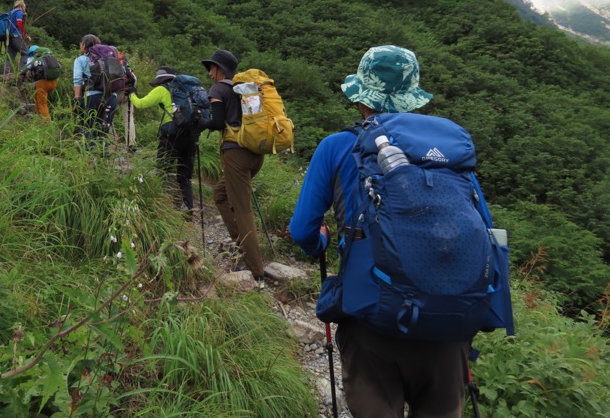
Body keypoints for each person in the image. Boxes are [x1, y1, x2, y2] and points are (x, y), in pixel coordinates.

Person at [289, 45, 470, 418]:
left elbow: (302, 230)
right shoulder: (447, 153)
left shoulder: (338, 147)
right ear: (412, 98)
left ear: (360, 99)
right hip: (448, 326)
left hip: (371, 319)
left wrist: (321, 241)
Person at [198, 50, 266, 289]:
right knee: (221, 195)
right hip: (255, 154)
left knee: (242, 208)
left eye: (212, 68)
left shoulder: (219, 89)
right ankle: (242, 245)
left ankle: (256, 270)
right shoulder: (245, 89)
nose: (209, 73)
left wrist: (200, 122)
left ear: (221, 70)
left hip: (235, 153)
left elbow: (217, 123)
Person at [130, 67, 198, 217]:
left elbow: (140, 104)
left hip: (172, 136)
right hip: (191, 136)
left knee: (163, 170)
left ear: (161, 79)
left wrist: (131, 94)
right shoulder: (187, 91)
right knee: (185, 176)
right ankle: (189, 211)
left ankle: (167, 207)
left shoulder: (162, 89)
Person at [72, 34, 118, 150]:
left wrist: (77, 97)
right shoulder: (110, 59)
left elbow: (77, 79)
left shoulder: (81, 59)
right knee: (103, 128)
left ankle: (89, 155)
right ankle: (103, 154)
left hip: (92, 96)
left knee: (88, 126)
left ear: (84, 45)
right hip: (112, 97)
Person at [19, 45, 58, 122]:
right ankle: (40, 119)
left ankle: (46, 123)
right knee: (41, 101)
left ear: (31, 53)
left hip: (42, 83)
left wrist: (20, 72)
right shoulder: (49, 56)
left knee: (42, 103)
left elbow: (27, 67)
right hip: (53, 82)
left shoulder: (33, 57)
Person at [4, 0, 31, 79]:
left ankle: (6, 74)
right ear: (21, 6)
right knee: (25, 52)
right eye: (24, 7)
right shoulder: (19, 12)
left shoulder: (11, 12)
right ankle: (20, 73)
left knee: (10, 56)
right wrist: (25, 35)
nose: (24, 9)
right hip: (16, 36)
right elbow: (19, 23)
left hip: (9, 36)